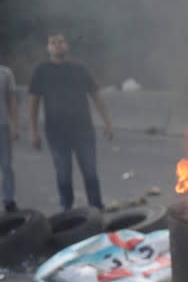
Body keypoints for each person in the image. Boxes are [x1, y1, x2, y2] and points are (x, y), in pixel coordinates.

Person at [29, 32, 113, 212]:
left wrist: (107, 123)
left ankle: (96, 208)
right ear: (48, 48)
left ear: (66, 45)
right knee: (63, 174)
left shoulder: (80, 70)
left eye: (61, 41)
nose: (58, 45)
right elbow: (34, 103)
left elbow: (96, 96)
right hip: (56, 133)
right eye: (53, 42)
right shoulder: (42, 71)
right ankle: (67, 210)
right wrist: (34, 132)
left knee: (90, 173)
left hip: (83, 130)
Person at [0, 63, 20, 212]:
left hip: (3, 125)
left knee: (6, 165)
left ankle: (9, 200)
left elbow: (12, 100)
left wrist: (15, 125)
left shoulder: (5, 73)